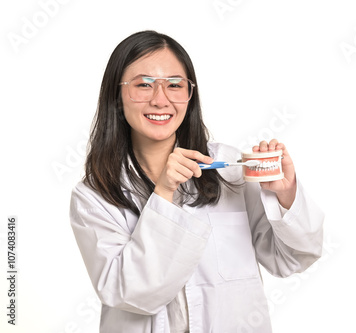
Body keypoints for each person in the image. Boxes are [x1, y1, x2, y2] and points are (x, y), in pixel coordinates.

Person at [69, 30, 324, 333]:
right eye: (143, 85)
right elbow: (129, 294)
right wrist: (164, 192)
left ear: (190, 95)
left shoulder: (228, 170)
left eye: (175, 85)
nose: (160, 100)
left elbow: (293, 259)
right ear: (117, 95)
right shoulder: (95, 194)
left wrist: (285, 194)